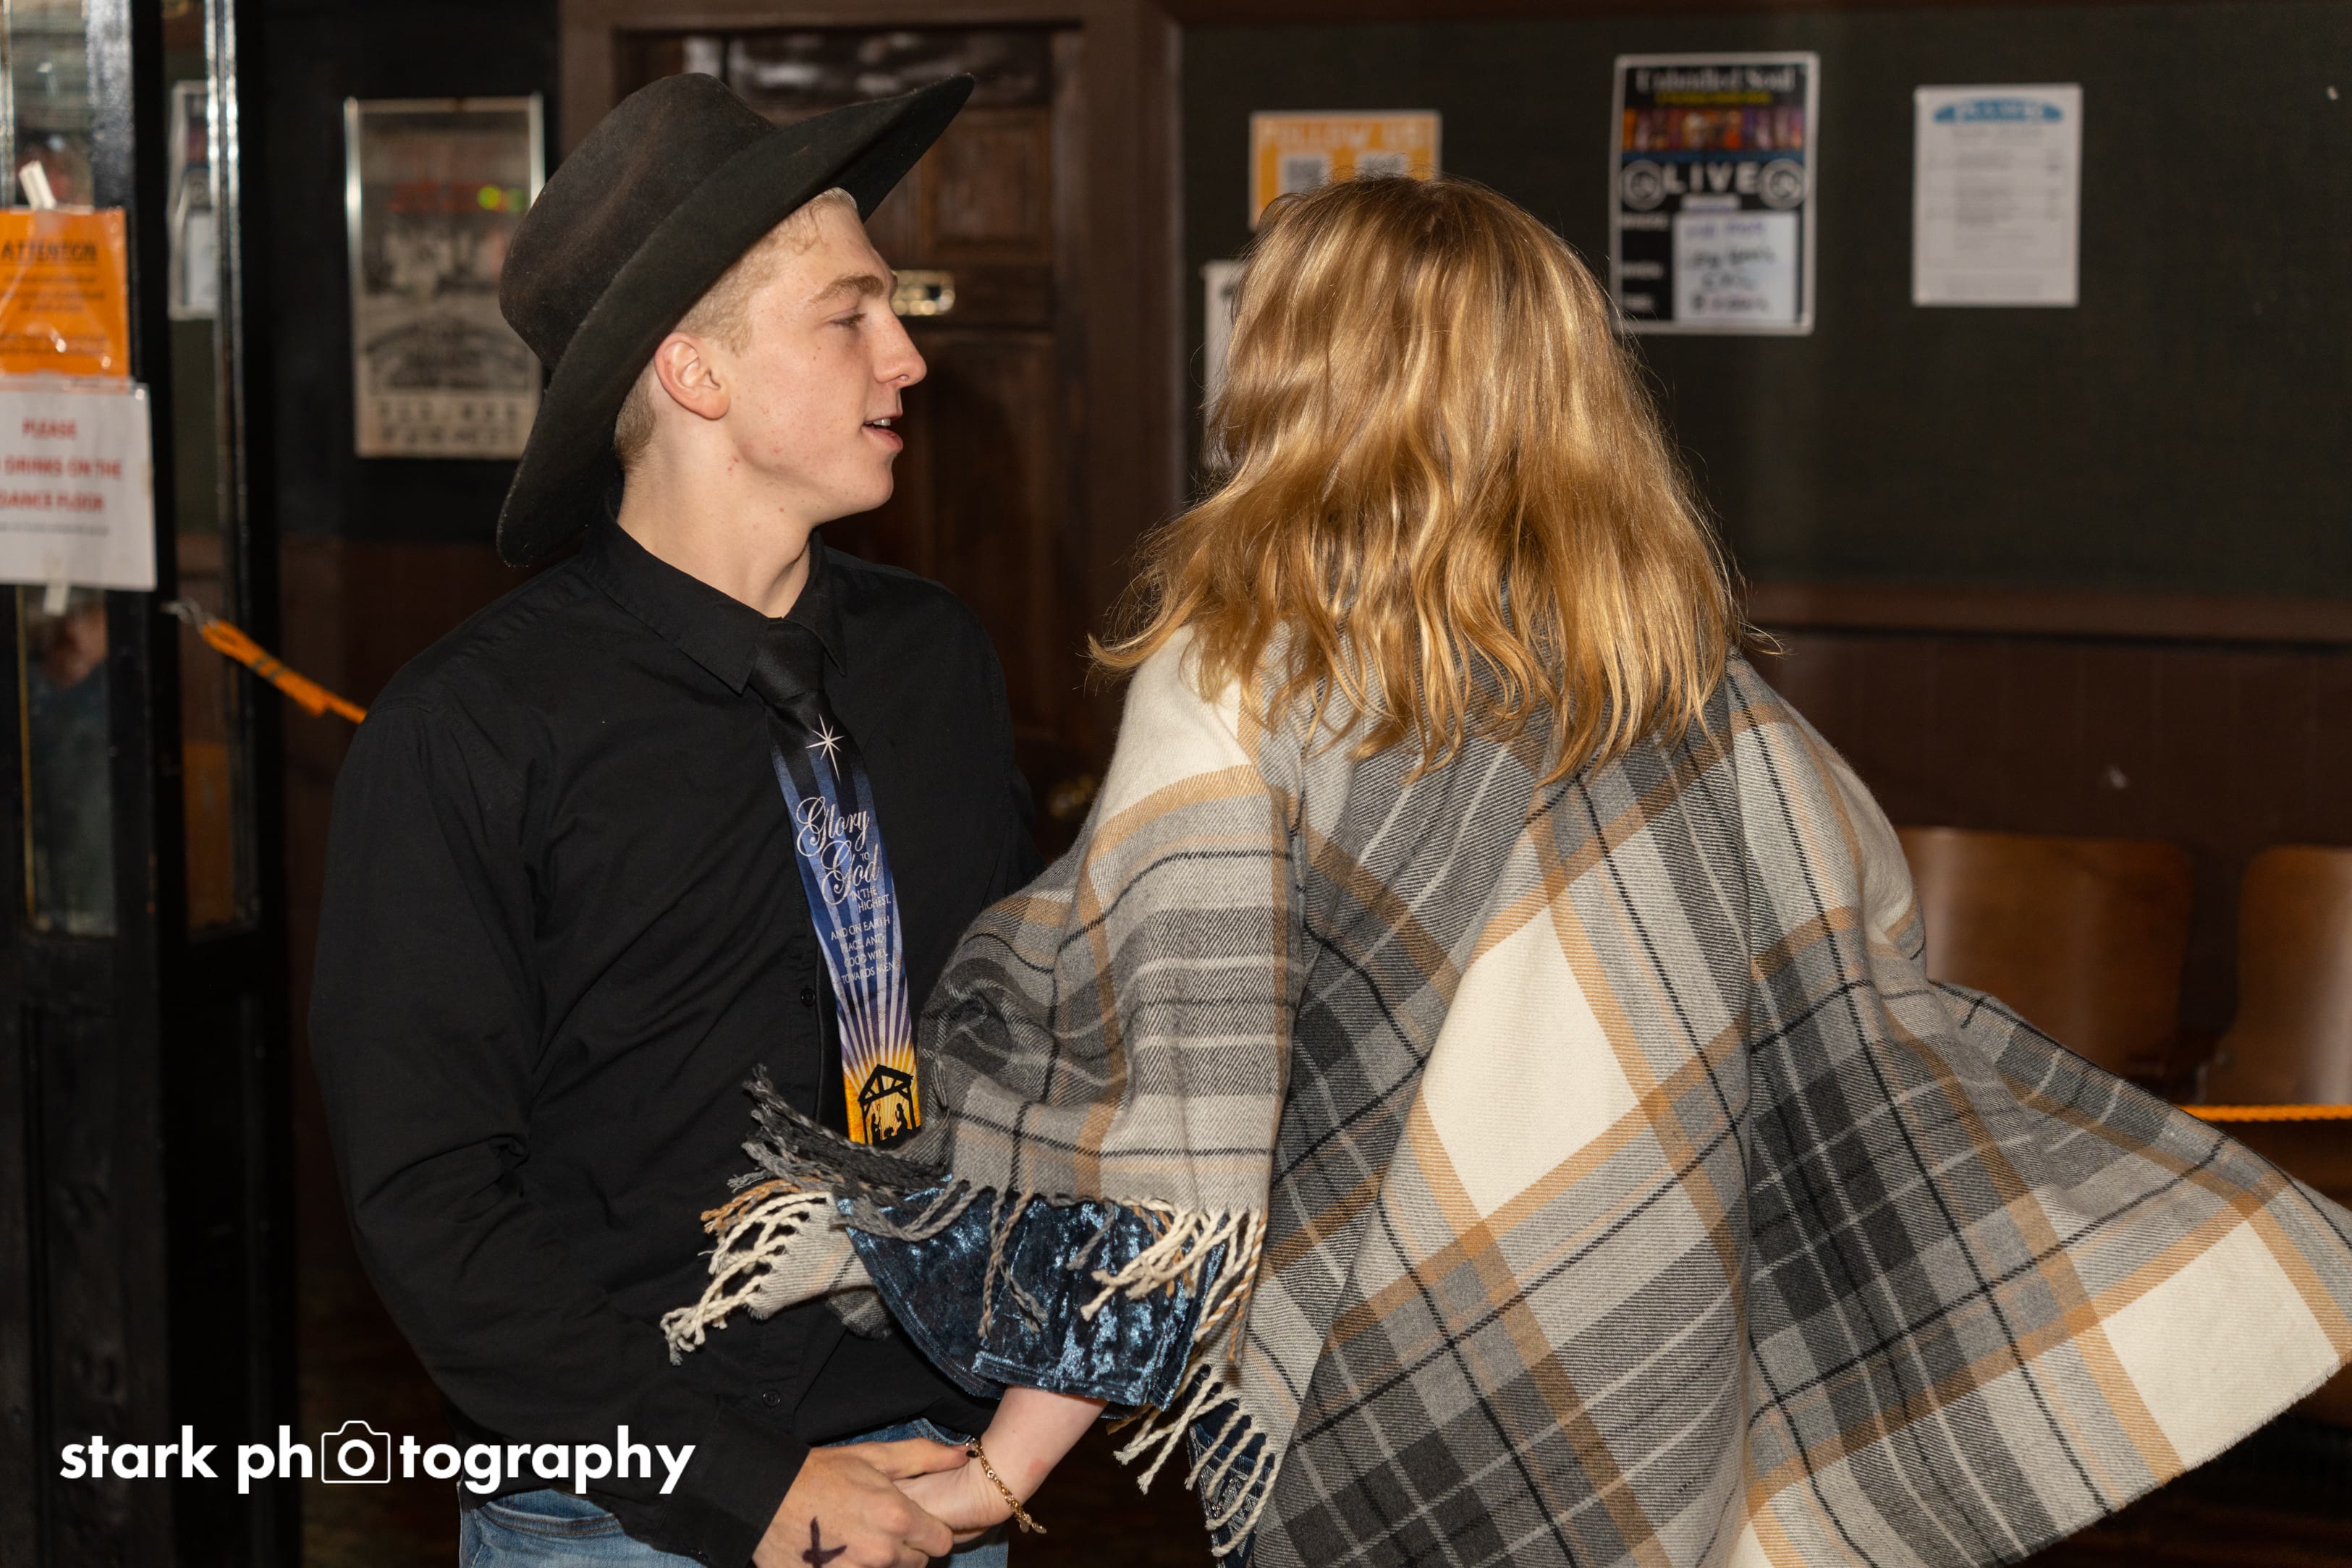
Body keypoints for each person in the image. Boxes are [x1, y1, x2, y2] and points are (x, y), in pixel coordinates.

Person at [666, 174, 2352, 1567]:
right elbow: (1862, 981)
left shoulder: (1239, 671)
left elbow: (1173, 1157)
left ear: (1293, 374)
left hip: (1397, 1379)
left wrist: (1003, 1467)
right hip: (1665, 1343)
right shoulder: (1681, 686)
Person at [310, 73, 1041, 1568]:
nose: (906, 354)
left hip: (934, 1472)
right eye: (847, 315)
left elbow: (1016, 1045)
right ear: (695, 373)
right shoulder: (474, 727)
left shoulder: (934, 659)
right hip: (627, 1514)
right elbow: (429, 1201)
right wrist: (743, 1485)